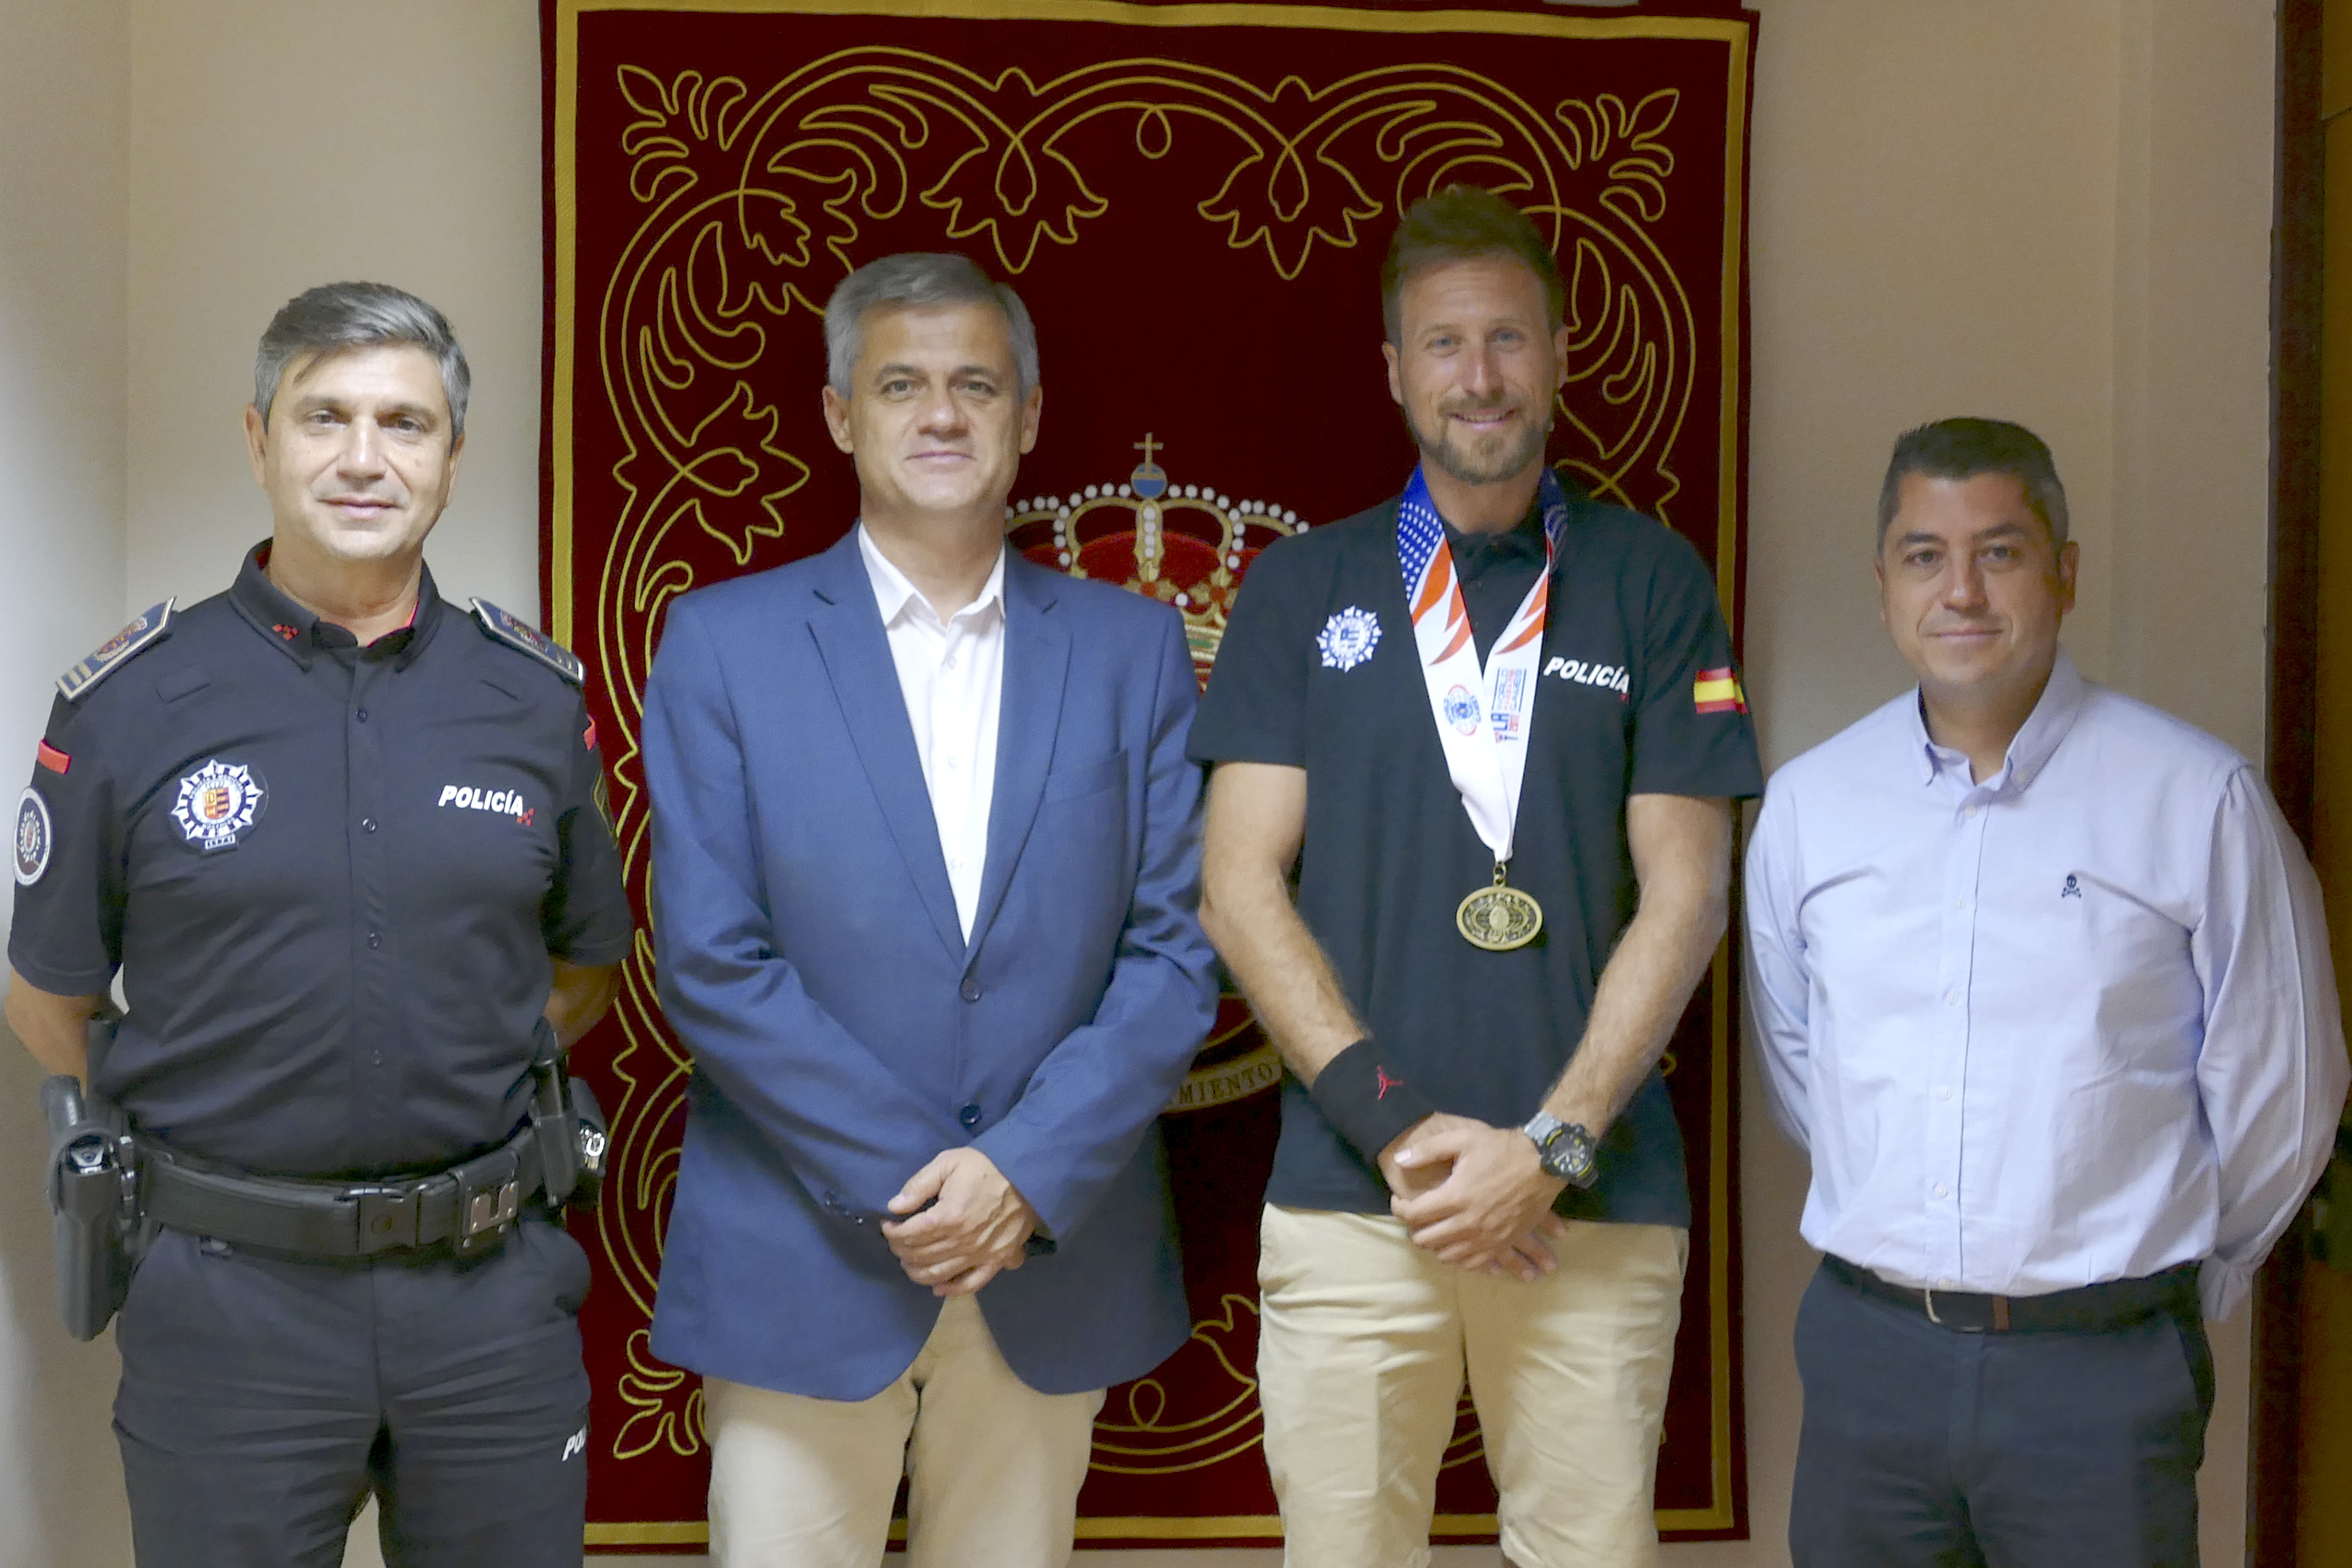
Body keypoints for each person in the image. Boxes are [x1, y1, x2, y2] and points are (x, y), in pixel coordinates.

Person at [4, 281, 632, 1565]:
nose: (363, 458)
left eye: (405, 424)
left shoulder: (531, 700)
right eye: (324, 417)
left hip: (489, 1299)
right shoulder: (132, 706)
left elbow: (580, 973)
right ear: (258, 440)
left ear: (453, 460)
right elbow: (47, 1000)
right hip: (233, 1305)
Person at [1189, 186, 1763, 1567]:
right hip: (1352, 1196)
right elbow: (1236, 887)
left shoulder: (1653, 580)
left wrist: (1548, 1150)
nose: (1481, 377)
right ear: (1395, 373)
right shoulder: (1298, 589)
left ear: (1560, 353)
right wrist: (1401, 1133)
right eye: (1444, 346)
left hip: (1595, 1201)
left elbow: (1688, 894)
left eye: (1508, 339)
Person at [640, 250, 1219, 1568]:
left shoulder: (1134, 653)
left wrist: (1015, 1175)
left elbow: (1175, 957)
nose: (941, 415)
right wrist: (921, 1188)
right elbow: (714, 964)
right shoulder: (723, 644)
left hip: (1046, 1251)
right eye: (901, 385)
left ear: (1028, 418)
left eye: (976, 385)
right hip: (805, 1254)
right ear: (843, 416)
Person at [1744, 416, 2351, 1568]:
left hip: (2101, 1372)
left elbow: (2287, 1090)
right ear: (1884, 586)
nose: (1961, 590)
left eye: (2002, 551)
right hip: (1872, 1363)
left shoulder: (2197, 799)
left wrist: (2177, 1276)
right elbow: (1801, 1065)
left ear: (2066, 573)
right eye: (1926, 555)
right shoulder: (1812, 808)